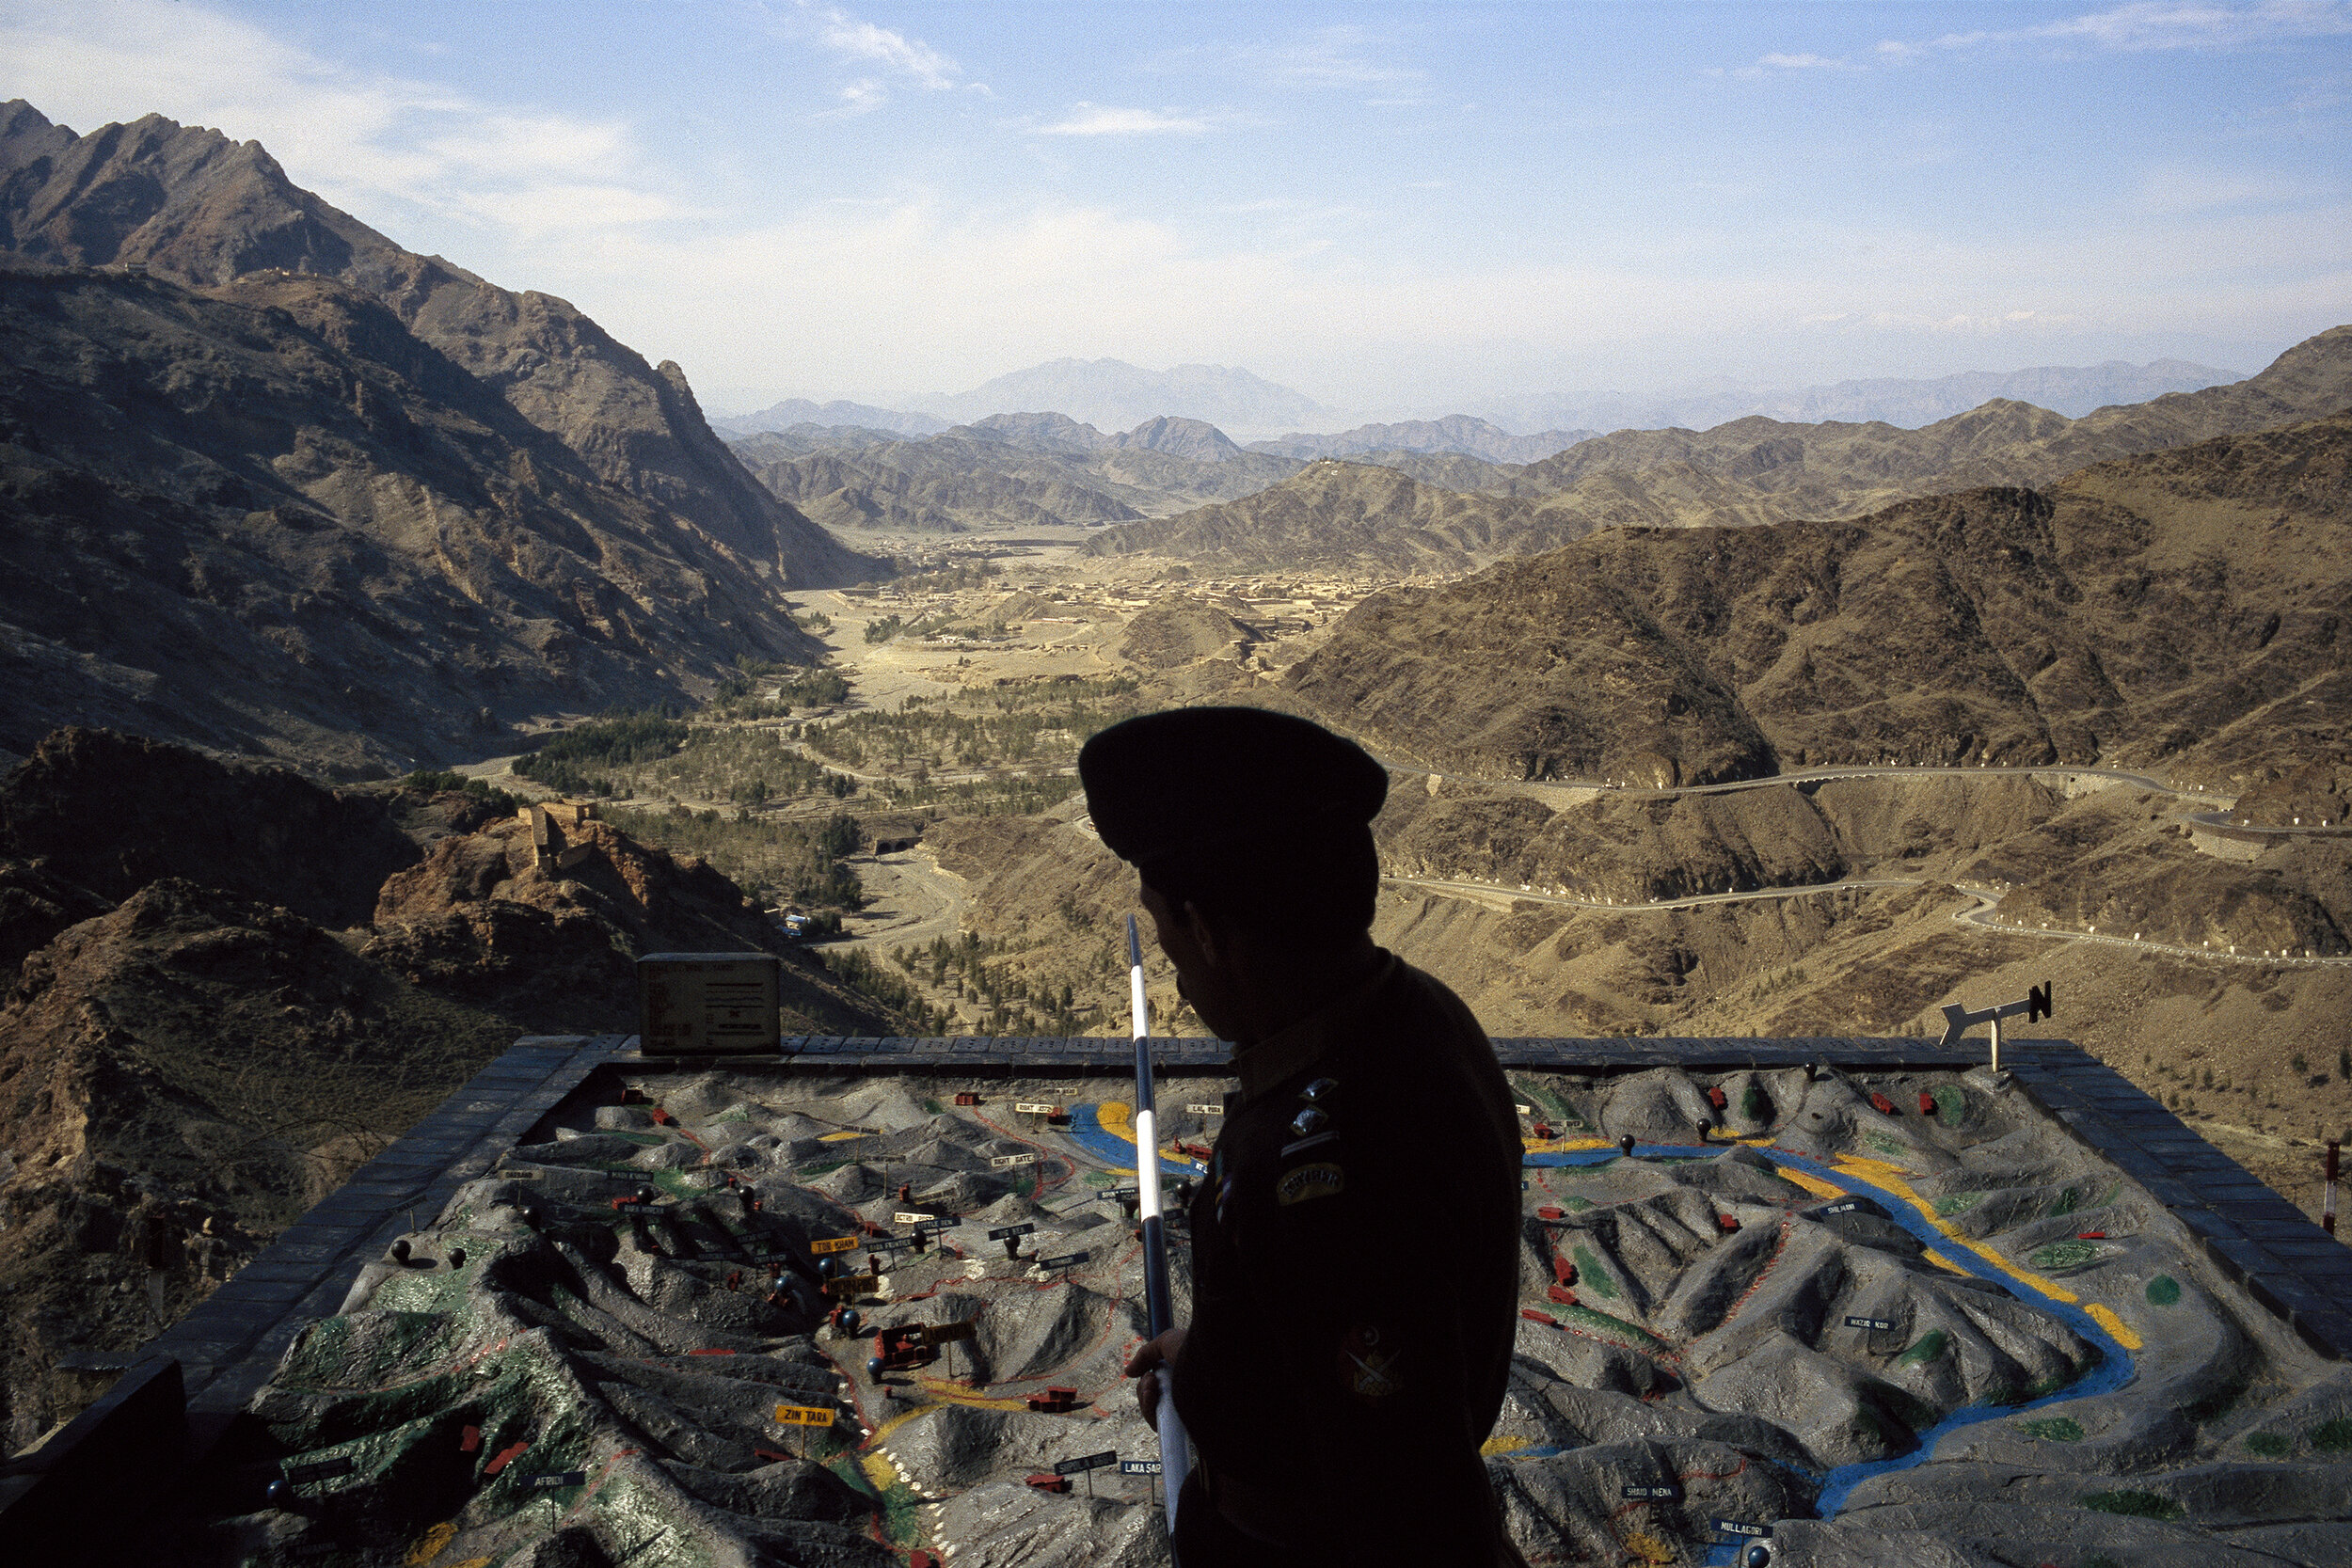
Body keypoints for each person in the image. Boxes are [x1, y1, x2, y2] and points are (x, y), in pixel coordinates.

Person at [1080, 706, 1525, 1568]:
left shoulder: (1321, 1171)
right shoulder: (1414, 1012)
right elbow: (1315, 1350)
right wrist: (1203, 1374)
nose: (1172, 974)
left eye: (1171, 939)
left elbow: (1407, 1500)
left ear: (1208, 929)